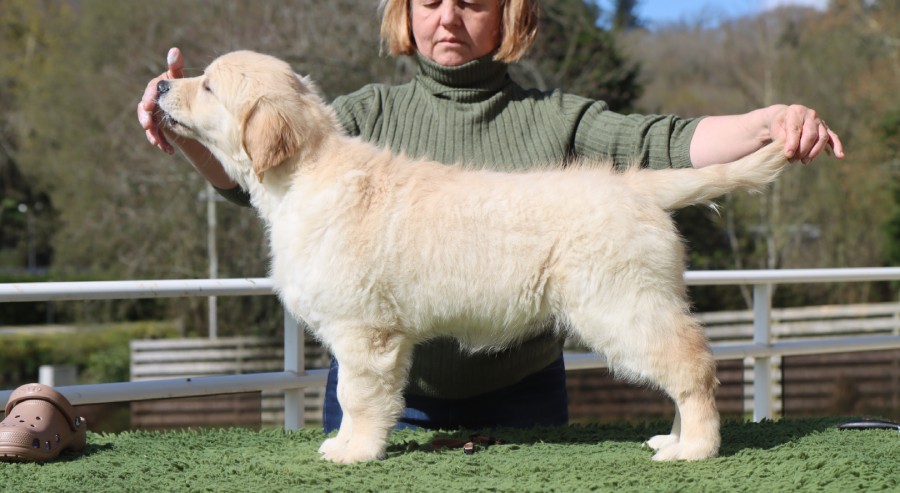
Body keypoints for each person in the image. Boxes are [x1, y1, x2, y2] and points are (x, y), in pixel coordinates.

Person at [138, 0, 843, 433]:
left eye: (472, 1)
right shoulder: (358, 118)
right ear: (405, 13)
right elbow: (251, 176)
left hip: (519, 401)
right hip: (392, 411)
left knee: (632, 330)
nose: (447, 16)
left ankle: (698, 412)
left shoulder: (554, 117)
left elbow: (661, 144)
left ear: (510, 15)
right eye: (429, 0)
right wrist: (184, 122)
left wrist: (764, 124)